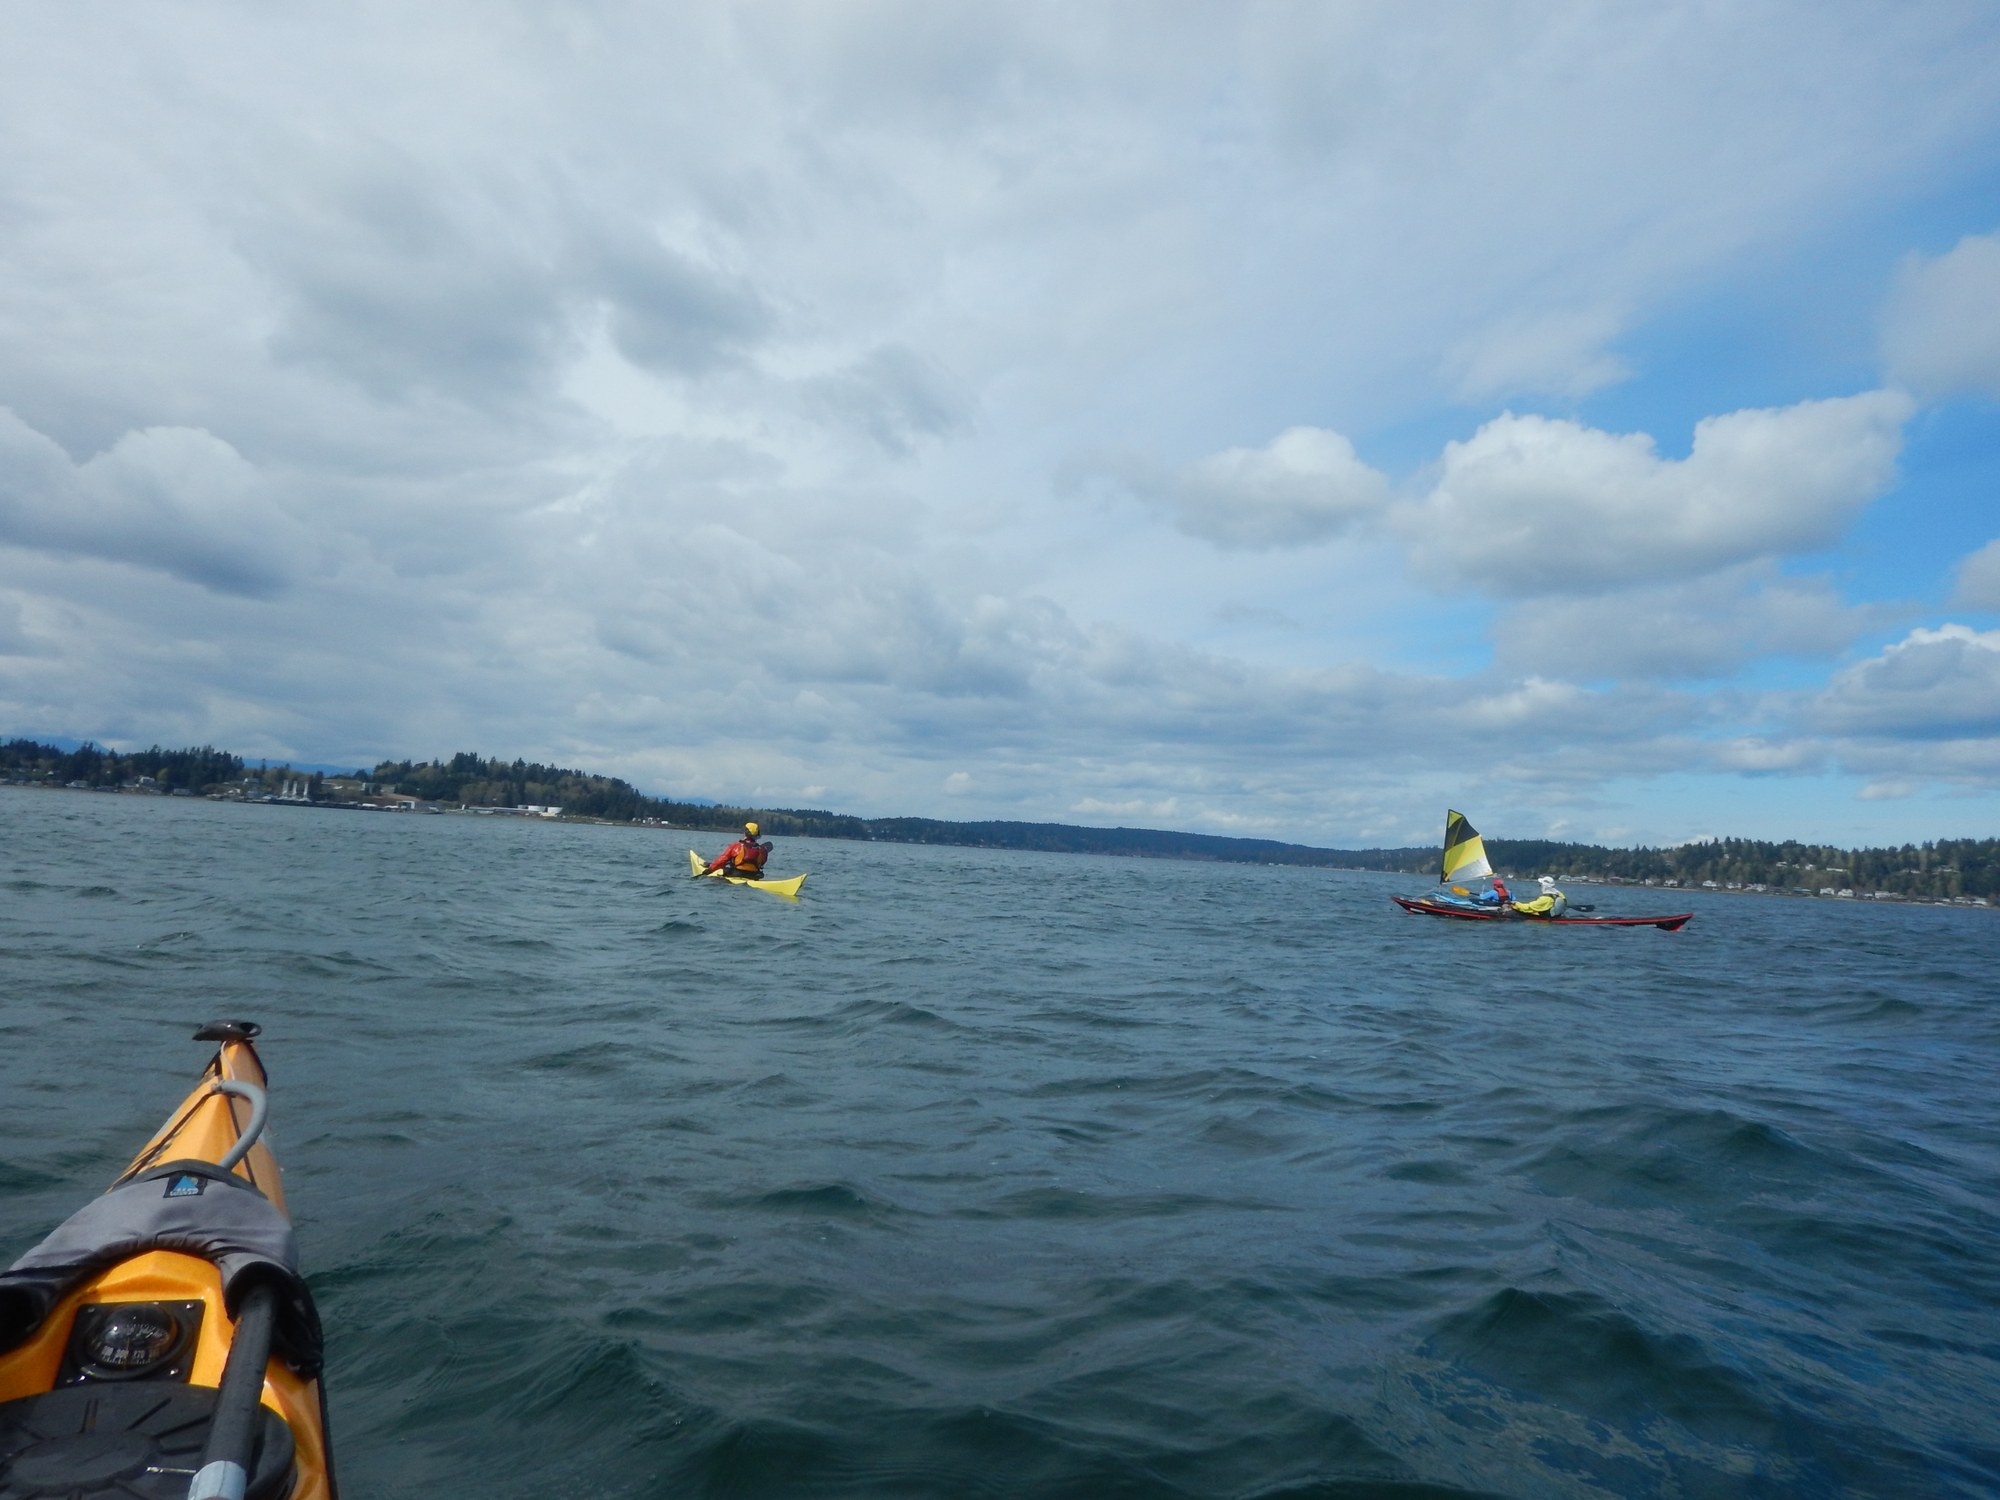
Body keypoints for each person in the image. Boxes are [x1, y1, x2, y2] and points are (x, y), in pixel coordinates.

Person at [705, 821, 772, 877]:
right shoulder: (762, 850)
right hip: (753, 876)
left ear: (745, 833)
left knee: (721, 871)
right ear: (757, 835)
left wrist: (709, 870)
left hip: (737, 874)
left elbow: (722, 859)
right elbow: (762, 863)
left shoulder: (737, 846)